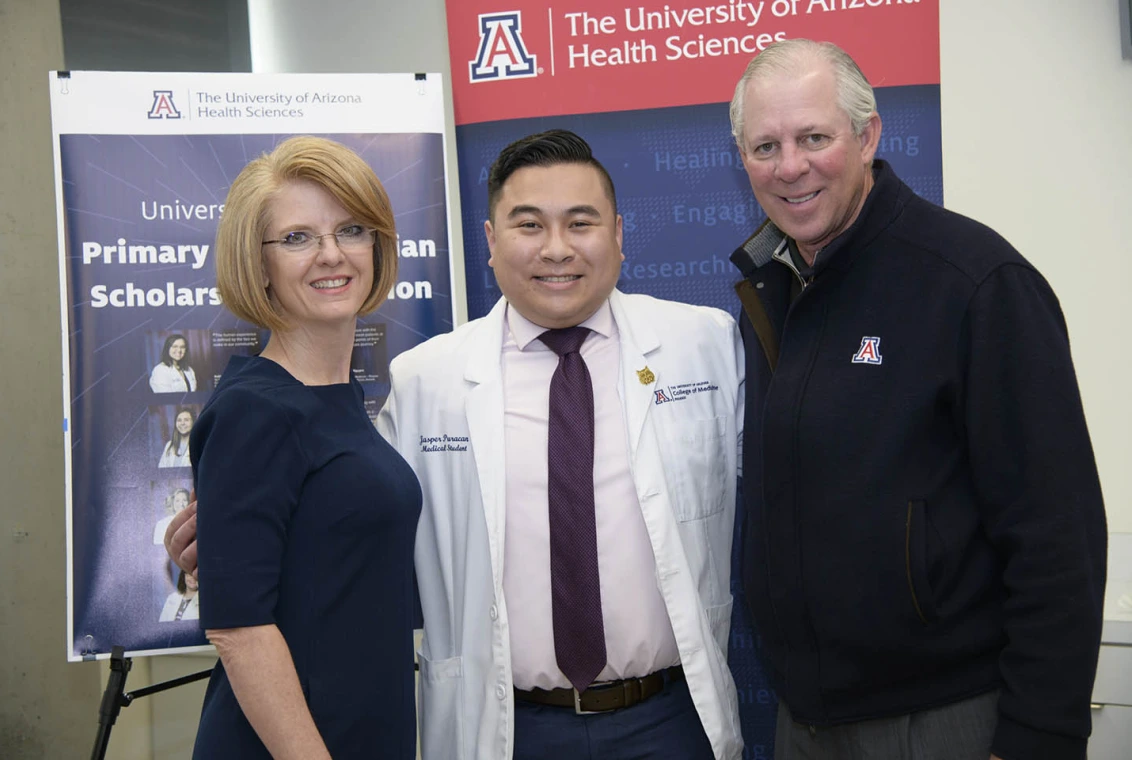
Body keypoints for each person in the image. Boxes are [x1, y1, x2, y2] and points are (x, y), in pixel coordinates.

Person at [168, 130, 745, 759]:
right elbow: (304, 564)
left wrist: (241, 547)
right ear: (491, 243)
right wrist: (230, 549)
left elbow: (354, 523)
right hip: (506, 726)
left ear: (619, 234)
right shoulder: (424, 380)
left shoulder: (705, 345)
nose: (556, 248)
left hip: (667, 721)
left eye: (580, 222)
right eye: (528, 225)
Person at [726, 39, 1107, 760]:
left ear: (868, 135)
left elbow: (1057, 533)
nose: (789, 167)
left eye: (814, 137)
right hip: (804, 721)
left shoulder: (974, 282)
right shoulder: (769, 291)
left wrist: (1039, 734)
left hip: (945, 720)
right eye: (764, 145)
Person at [187, 135, 421, 759]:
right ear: (256, 262)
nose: (330, 255)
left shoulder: (339, 398)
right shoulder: (254, 409)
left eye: (351, 229)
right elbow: (239, 631)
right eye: (296, 238)